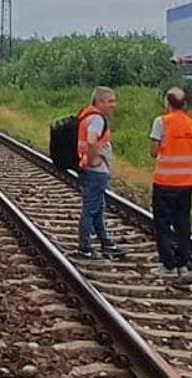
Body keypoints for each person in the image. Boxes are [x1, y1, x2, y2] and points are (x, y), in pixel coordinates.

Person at [148, 87, 192, 279]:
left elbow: (154, 151)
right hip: (185, 182)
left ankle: (168, 265)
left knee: (163, 224)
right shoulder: (191, 123)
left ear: (167, 103)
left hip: (165, 181)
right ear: (185, 104)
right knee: (183, 223)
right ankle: (183, 263)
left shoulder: (161, 121)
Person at [75, 86, 124, 259]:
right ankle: (84, 246)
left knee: (97, 208)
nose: (113, 105)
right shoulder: (97, 119)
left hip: (92, 169)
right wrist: (94, 159)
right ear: (100, 101)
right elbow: (91, 140)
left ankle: (105, 242)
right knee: (90, 209)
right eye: (110, 101)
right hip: (96, 170)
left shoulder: (89, 115)